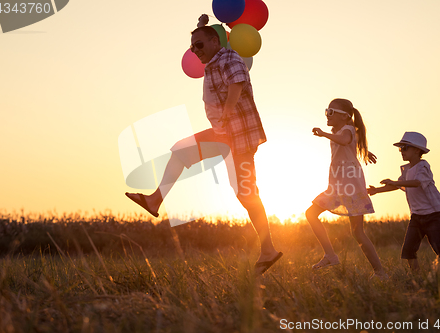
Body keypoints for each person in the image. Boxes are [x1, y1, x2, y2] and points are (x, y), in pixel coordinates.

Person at [126, 16, 282, 275]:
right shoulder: (213, 64)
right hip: (223, 135)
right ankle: (155, 199)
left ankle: (268, 250)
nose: (195, 51)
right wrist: (200, 25)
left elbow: (237, 81)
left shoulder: (229, 58)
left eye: (199, 45)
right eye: (192, 48)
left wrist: (227, 111)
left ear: (214, 41)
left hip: (239, 137)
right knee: (180, 151)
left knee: (246, 193)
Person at [367, 132, 440, 273]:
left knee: (439, 248)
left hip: (433, 213)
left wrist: (394, 181)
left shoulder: (423, 166)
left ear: (417, 150)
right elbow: (397, 185)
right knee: (408, 250)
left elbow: (417, 183)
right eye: (400, 149)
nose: (401, 151)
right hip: (417, 215)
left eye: (405, 148)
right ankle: (417, 279)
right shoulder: (406, 170)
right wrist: (376, 190)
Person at [306, 98, 388, 280]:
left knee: (358, 233)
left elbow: (345, 140)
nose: (327, 115)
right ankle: (330, 255)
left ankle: (380, 272)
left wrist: (324, 134)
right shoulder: (344, 130)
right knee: (311, 214)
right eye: (326, 111)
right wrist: (364, 150)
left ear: (344, 116)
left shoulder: (347, 130)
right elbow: (349, 142)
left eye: (331, 112)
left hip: (350, 186)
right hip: (337, 186)